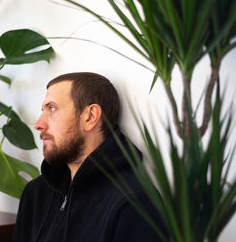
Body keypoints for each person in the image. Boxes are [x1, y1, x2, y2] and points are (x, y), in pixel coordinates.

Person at [12, 72, 167, 242]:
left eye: (52, 108)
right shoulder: (36, 193)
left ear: (90, 117)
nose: (38, 124)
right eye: (43, 110)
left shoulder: (134, 203)